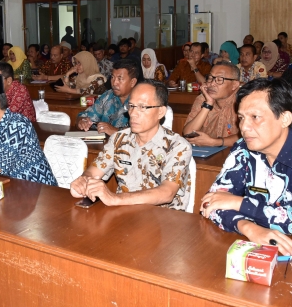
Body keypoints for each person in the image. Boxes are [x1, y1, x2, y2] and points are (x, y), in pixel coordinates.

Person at [201, 78, 292, 253]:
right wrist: (249, 228)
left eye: (255, 117)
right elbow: (210, 204)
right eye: (241, 118)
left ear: (284, 119)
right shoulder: (243, 149)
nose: (244, 127)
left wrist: (240, 204)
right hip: (260, 243)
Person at [70, 81, 192, 210]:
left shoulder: (177, 146)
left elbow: (167, 193)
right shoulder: (119, 139)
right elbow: (94, 172)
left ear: (161, 112)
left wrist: (114, 198)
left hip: (163, 220)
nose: (133, 113)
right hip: (124, 213)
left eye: (142, 107)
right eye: (131, 106)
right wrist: (84, 181)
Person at [182, 61, 241, 148]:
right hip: (207, 154)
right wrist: (208, 104)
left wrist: (214, 142)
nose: (212, 83)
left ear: (234, 85)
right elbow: (188, 133)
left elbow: (247, 136)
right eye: (210, 78)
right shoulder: (203, 98)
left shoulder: (242, 102)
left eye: (219, 80)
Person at [77, 58, 140, 136]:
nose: (114, 83)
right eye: (113, 77)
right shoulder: (108, 96)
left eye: (120, 79)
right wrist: (82, 121)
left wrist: (115, 131)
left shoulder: (142, 102)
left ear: (132, 82)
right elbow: (84, 115)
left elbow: (144, 133)